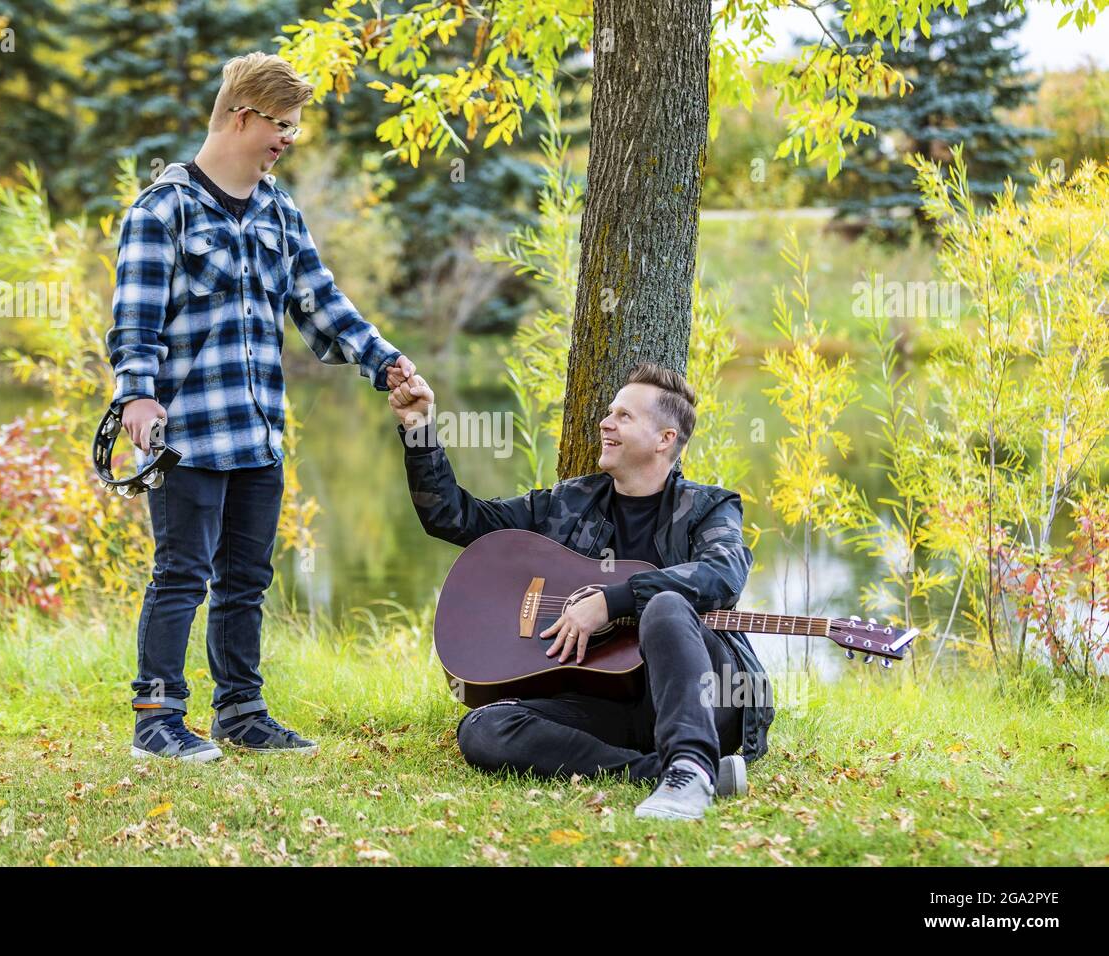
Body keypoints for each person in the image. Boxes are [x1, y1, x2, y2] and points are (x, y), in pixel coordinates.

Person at [106, 52, 415, 762]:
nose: (288, 139)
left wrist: (388, 363)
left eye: (294, 129)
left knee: (247, 580)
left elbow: (322, 305)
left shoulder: (278, 208)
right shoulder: (165, 209)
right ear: (242, 117)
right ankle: (156, 721)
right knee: (181, 573)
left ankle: (241, 712)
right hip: (185, 436)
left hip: (259, 432)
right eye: (283, 126)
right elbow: (135, 324)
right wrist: (138, 398)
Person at [387, 363, 773, 820]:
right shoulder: (569, 504)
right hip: (605, 704)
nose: (605, 423)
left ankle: (690, 764)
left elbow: (724, 573)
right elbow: (454, 518)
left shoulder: (709, 507)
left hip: (703, 700)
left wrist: (611, 601)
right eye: (609, 412)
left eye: (624, 416)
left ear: (665, 439)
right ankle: (658, 772)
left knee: (667, 605)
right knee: (483, 728)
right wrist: (419, 429)